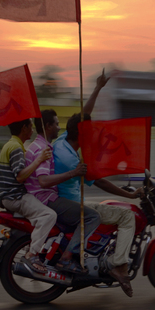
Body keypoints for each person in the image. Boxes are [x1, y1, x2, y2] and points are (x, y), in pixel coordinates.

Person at [24, 71, 109, 277]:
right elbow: (44, 181)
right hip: (47, 199)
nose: (59, 126)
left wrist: (97, 88)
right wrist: (75, 172)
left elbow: (81, 119)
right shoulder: (50, 150)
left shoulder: (57, 142)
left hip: (47, 197)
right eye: (55, 123)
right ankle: (66, 258)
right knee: (92, 217)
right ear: (48, 127)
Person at [53, 113, 143, 297]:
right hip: (72, 204)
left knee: (105, 209)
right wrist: (130, 195)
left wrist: (97, 88)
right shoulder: (72, 160)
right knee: (127, 216)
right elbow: (100, 182)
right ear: (81, 134)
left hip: (71, 200)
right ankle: (119, 265)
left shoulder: (63, 141)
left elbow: (80, 116)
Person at [0, 119, 57, 274]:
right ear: (24, 128)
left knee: (40, 215)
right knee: (48, 215)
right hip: (15, 196)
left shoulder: (10, 145)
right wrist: (39, 160)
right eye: (30, 126)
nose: (32, 129)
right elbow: (20, 177)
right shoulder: (16, 147)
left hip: (7, 196)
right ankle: (33, 254)